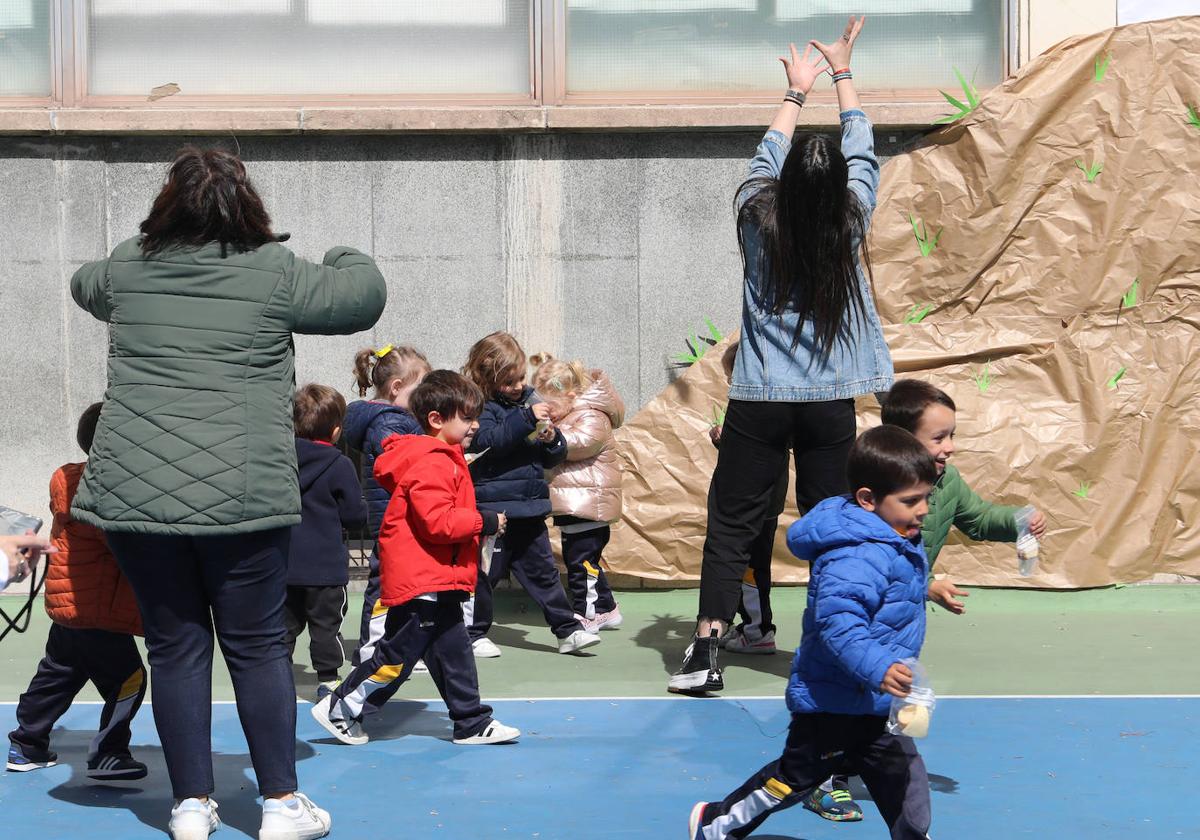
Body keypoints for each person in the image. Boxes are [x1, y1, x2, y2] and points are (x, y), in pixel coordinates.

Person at [70, 146, 386, 840]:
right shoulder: (273, 271)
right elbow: (360, 295)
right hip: (243, 497)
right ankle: (278, 804)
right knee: (256, 646)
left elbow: (82, 283)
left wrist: (141, 249)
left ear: (165, 205)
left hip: (137, 495)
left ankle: (190, 806)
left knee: (175, 646)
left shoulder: (127, 265)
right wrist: (342, 249)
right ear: (246, 205)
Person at [671, 16, 892, 695]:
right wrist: (844, 76)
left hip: (760, 402)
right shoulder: (850, 218)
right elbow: (863, 155)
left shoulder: (755, 218)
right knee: (834, 523)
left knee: (730, 526)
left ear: (787, 183)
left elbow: (764, 160)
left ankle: (708, 652)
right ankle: (833, 644)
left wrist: (796, 94)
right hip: (828, 404)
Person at [803, 378, 1050, 822]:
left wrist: (1018, 520)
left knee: (881, 703)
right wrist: (928, 582)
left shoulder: (947, 481)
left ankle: (863, 768)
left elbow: (976, 518)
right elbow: (863, 561)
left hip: (899, 618)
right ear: (901, 443)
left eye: (952, 434)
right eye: (939, 437)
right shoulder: (875, 492)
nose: (950, 446)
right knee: (843, 697)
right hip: (863, 616)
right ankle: (820, 780)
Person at [688, 424, 936, 840]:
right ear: (867, 500)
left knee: (906, 780)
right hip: (831, 704)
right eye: (911, 500)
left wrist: (930, 586)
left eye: (926, 497)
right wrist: (879, 667)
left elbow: (888, 590)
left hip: (875, 704)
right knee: (792, 780)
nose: (924, 509)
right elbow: (839, 624)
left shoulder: (893, 538)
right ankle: (716, 821)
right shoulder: (853, 555)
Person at [310, 371, 519, 747]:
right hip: (424, 580)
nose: (475, 426)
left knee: (453, 653)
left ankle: (471, 721)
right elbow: (437, 523)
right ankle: (341, 706)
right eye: (467, 417)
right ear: (437, 420)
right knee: (396, 656)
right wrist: (484, 521)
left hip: (439, 578)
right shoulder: (432, 462)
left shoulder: (444, 458)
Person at [8, 403, 148, 781]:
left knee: (59, 674)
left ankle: (26, 742)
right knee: (130, 679)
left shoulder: (68, 480)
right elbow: (127, 545)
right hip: (97, 609)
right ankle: (109, 752)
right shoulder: (111, 493)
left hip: (69, 604)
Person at [461, 332, 601, 656]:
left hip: (530, 508)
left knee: (545, 574)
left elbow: (552, 455)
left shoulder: (528, 402)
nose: (519, 385)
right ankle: (472, 632)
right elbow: (490, 442)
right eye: (510, 381)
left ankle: (568, 630)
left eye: (521, 377)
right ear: (488, 378)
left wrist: (551, 438)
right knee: (485, 575)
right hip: (495, 511)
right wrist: (526, 419)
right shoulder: (481, 408)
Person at [343, 344, 431, 647]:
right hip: (395, 518)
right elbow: (403, 465)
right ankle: (373, 647)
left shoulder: (390, 419)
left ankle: (390, 645)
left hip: (393, 516)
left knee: (395, 583)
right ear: (397, 387)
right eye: (421, 389)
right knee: (384, 585)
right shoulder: (390, 422)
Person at [530, 355, 625, 633]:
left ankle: (587, 613)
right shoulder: (573, 413)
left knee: (580, 563)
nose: (548, 413)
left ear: (570, 395)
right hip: (577, 502)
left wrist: (553, 437)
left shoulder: (592, 415)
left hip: (590, 503)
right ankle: (606, 608)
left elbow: (581, 443)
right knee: (583, 559)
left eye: (552, 406)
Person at [285, 385, 368, 698]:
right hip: (325, 569)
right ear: (336, 431)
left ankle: (277, 678)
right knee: (326, 628)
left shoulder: (281, 459)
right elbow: (355, 516)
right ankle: (329, 680)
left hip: (285, 565)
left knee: (283, 629)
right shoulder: (339, 464)